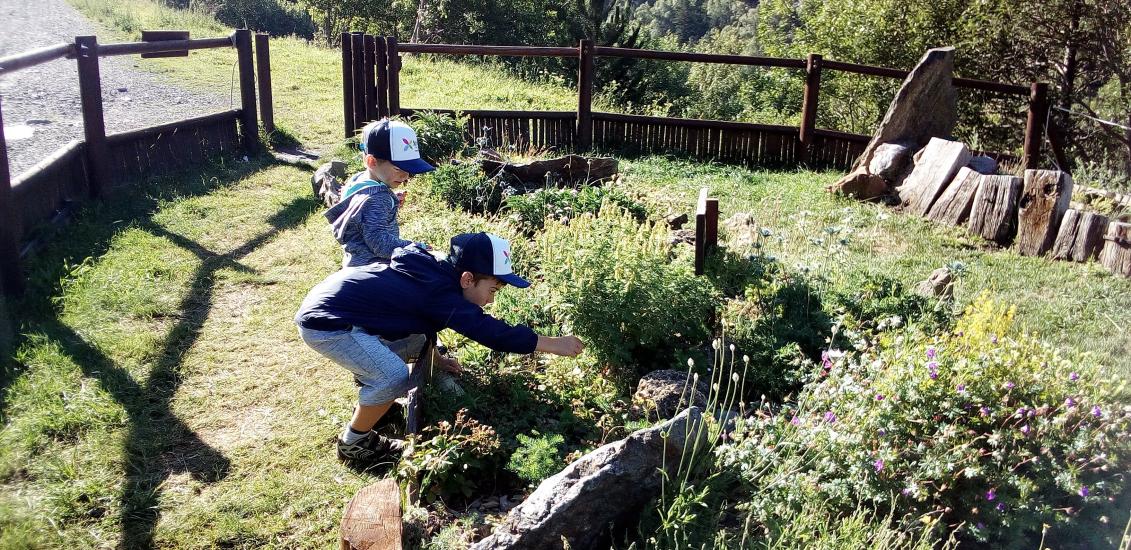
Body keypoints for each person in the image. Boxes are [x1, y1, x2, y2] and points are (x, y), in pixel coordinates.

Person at [294, 232, 585, 464]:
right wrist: (551, 344)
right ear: (468, 278)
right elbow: (491, 333)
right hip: (328, 324)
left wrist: (438, 360)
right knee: (393, 377)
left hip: (336, 306)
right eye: (492, 290)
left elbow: (422, 325)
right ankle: (355, 443)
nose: (491, 300)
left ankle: (377, 401)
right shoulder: (441, 293)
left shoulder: (437, 273)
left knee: (411, 348)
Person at [326, 118, 434, 268]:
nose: (406, 175)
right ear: (371, 162)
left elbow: (364, 211)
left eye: (409, 168)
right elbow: (379, 243)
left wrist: (391, 200)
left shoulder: (359, 181)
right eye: (398, 168)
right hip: (373, 268)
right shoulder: (377, 198)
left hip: (354, 260)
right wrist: (415, 247)